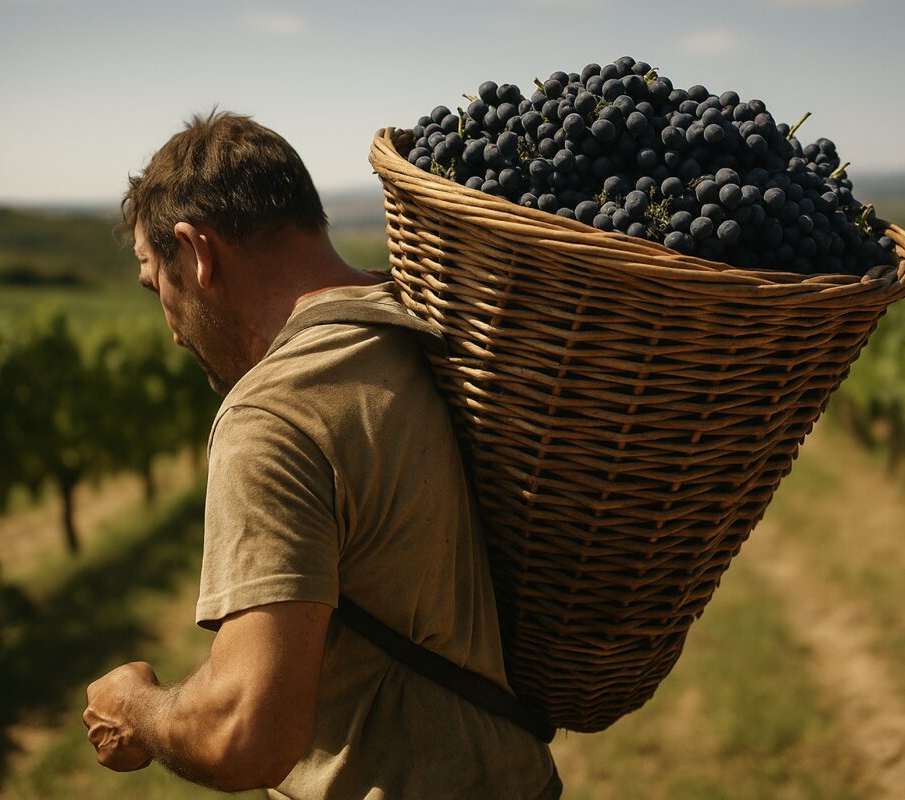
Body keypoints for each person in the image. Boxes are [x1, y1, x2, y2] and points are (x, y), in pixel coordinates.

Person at [82, 110, 561, 799]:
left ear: (196, 252)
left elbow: (247, 737)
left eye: (154, 280)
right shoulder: (416, 326)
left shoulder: (271, 416)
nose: (173, 330)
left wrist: (138, 709)